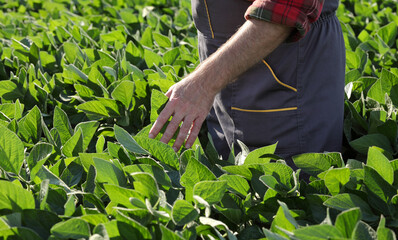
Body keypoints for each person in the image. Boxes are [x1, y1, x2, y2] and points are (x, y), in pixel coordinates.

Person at [149, 0, 345, 165]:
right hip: (223, 74)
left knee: (286, 191)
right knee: (235, 181)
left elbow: (287, 6)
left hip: (284, 70)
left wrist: (202, 85)